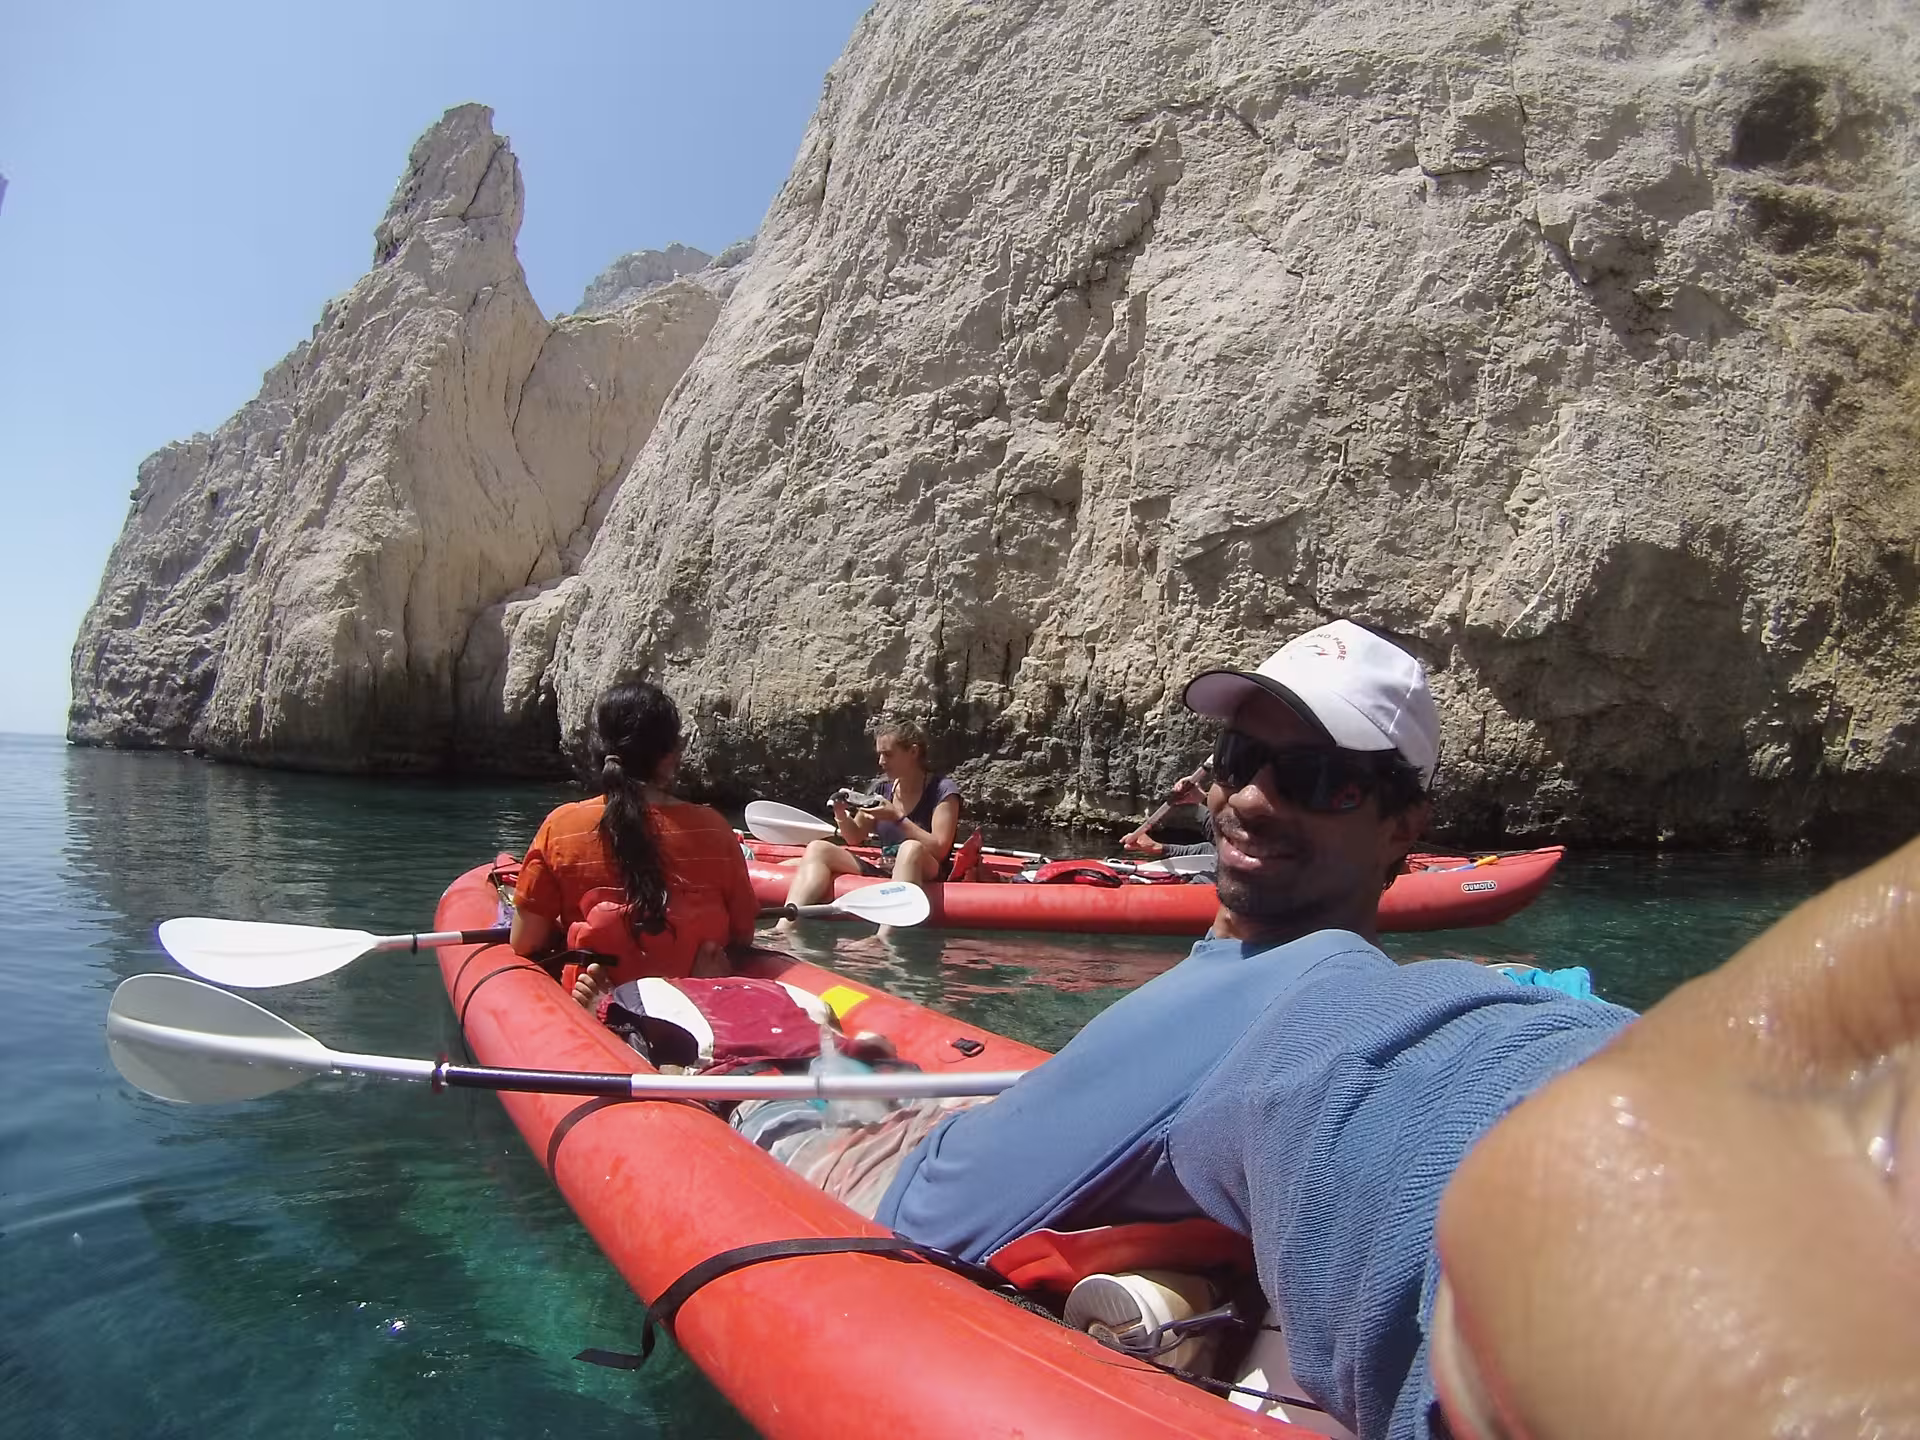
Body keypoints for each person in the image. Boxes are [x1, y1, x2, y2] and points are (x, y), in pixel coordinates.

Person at [511, 678, 759, 995]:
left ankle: (604, 999)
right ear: (669, 757)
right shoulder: (714, 828)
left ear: (600, 749)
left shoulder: (561, 827)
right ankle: (689, 986)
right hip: (695, 993)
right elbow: (743, 933)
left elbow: (524, 941)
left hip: (600, 990)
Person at [777, 719, 963, 926]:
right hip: (885, 868)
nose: (881, 762)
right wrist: (841, 814)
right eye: (880, 755)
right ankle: (785, 925)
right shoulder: (882, 789)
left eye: (889, 754)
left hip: (927, 869)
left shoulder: (943, 791)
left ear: (913, 752)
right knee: (818, 848)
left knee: (910, 849)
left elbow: (940, 849)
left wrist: (897, 818)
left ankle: (885, 935)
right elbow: (854, 837)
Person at [1118, 761, 1216, 859]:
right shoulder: (1223, 829)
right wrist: (1157, 847)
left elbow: (1216, 852)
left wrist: (1203, 801)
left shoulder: (1225, 826)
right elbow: (1212, 851)